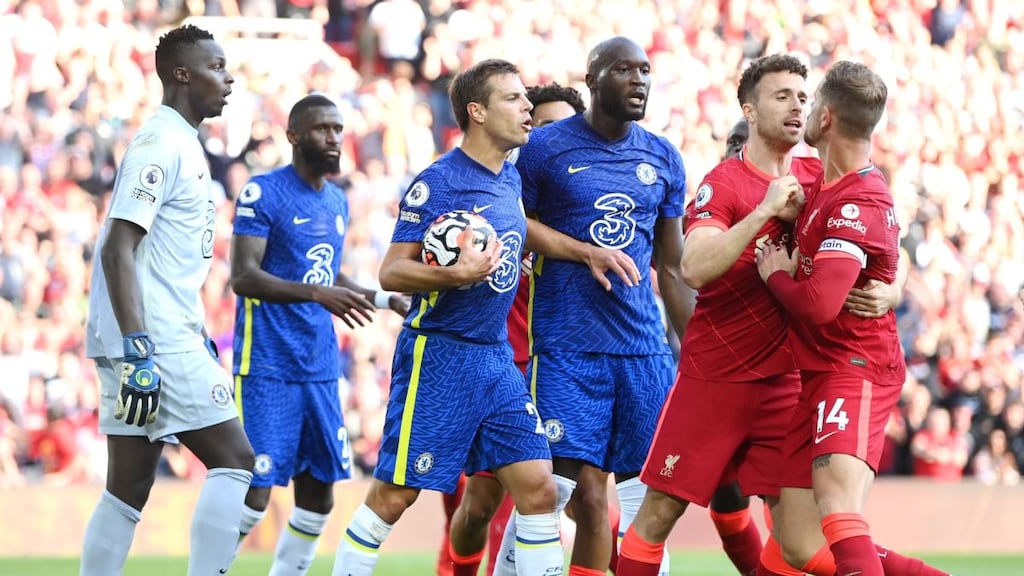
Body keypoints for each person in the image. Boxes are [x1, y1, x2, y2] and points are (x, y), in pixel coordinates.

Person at [617, 55, 902, 576]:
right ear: (749, 109)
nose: (796, 104)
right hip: (716, 379)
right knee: (658, 513)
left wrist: (894, 286)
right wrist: (766, 210)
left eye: (802, 95)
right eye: (780, 95)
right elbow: (694, 267)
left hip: (790, 383)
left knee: (802, 541)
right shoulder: (724, 183)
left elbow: (878, 232)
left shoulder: (822, 176)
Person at [331, 58, 563, 576]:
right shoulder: (439, 182)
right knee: (393, 498)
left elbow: (526, 233)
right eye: (514, 99)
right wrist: (455, 276)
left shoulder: (509, 181)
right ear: (477, 112)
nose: (527, 107)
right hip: (439, 356)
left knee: (539, 488)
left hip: (496, 358)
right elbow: (393, 272)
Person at [497, 36, 691, 576]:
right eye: (624, 70)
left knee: (645, 502)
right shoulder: (545, 147)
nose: (639, 81)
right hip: (566, 349)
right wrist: (584, 252)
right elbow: (516, 225)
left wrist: (696, 350)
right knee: (552, 490)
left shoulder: (662, 156)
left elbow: (671, 268)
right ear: (593, 78)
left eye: (646, 70)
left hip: (643, 353)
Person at [755, 60, 949, 576]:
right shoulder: (822, 184)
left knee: (839, 509)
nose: (805, 111)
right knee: (796, 539)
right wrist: (898, 280)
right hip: (817, 372)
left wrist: (776, 274)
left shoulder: (858, 198)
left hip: (855, 368)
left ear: (828, 117)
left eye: (812, 103)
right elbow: (893, 252)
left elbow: (819, 305)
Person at [80, 24, 255, 576]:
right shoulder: (161, 144)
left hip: (153, 334)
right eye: (217, 67)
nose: (228, 79)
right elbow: (116, 247)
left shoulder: (184, 142)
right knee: (236, 462)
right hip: (152, 339)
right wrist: (139, 349)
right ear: (182, 74)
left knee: (127, 489)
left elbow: (159, 259)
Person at [228, 93, 408, 575]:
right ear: (293, 136)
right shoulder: (262, 192)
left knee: (319, 492)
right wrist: (316, 296)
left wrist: (387, 300)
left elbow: (326, 275)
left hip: (320, 368)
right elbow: (243, 277)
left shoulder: (335, 199)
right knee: (256, 488)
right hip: (266, 364)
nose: (333, 137)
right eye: (321, 129)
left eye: (337, 128)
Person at [442, 81, 587, 576]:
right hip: (502, 361)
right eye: (541, 125)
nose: (548, 137)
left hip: (565, 367)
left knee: (579, 498)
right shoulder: (489, 197)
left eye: (563, 128)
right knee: (480, 502)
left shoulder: (589, 210)